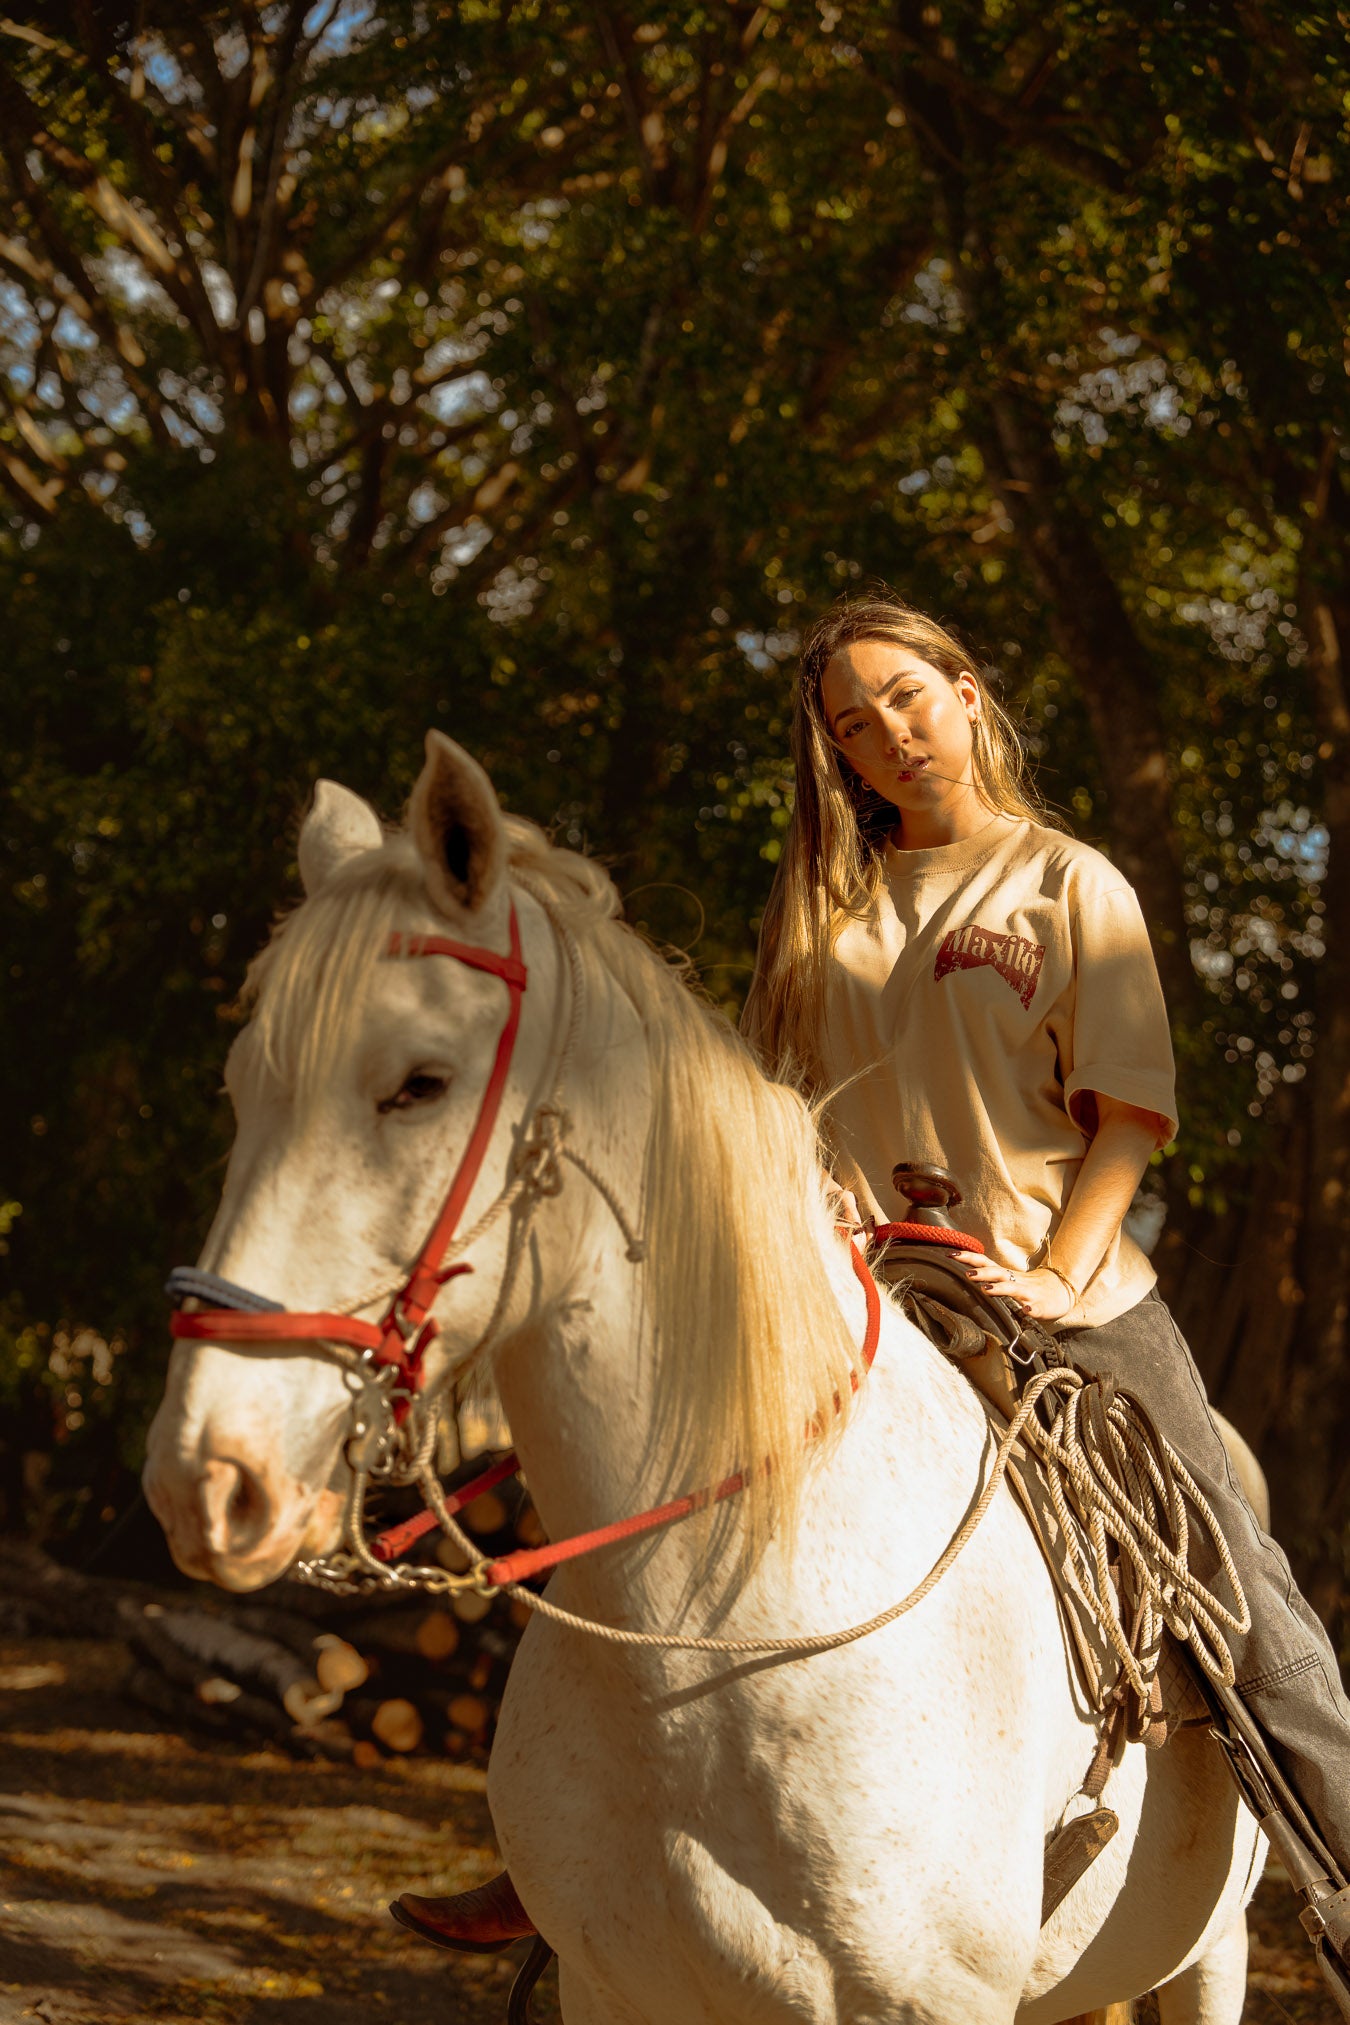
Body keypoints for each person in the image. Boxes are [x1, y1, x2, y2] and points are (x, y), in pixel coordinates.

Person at [391, 588, 1350, 1959]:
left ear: (965, 691)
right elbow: (765, 1100)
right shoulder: (817, 898)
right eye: (853, 722)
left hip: (1056, 1289)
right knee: (637, 1519)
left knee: (1234, 1579)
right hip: (850, 1291)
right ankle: (568, 1844)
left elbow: (1125, 1114)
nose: (887, 733)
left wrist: (1061, 1276)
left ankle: (1336, 1863)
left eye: (905, 696)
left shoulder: (1069, 883)